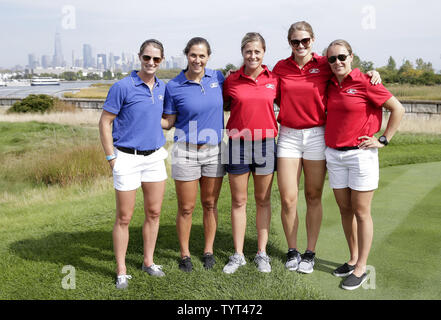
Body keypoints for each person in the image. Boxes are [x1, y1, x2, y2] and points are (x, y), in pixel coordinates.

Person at [272, 21, 381, 274]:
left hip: (316, 135)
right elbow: (265, 87)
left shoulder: (324, 64)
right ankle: (292, 250)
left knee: (312, 196)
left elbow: (348, 73)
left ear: (312, 40)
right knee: (288, 199)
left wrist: (372, 73)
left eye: (305, 41)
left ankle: (309, 253)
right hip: (288, 135)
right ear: (289, 43)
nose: (301, 46)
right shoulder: (280, 67)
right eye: (295, 41)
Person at [324, 39, 404, 290]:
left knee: (361, 211)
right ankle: (352, 259)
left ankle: (361, 268)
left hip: (360, 155)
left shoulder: (367, 82)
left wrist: (383, 139)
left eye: (341, 57)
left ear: (351, 56)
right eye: (332, 59)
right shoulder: (329, 84)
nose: (337, 62)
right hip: (334, 154)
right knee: (344, 210)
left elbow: (397, 109)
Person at [99, 39, 169, 289]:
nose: (151, 63)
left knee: (154, 213)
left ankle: (148, 262)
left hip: (154, 158)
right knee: (124, 217)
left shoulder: (162, 87)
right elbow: (105, 122)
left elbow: (163, 119)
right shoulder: (122, 86)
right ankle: (121, 270)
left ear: (162, 61)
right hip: (126, 158)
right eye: (147, 58)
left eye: (156, 59)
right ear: (139, 57)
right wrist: (111, 157)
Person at [162, 37, 225, 272]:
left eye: (202, 56)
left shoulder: (218, 78)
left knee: (210, 204)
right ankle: (185, 254)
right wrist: (141, 118)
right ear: (186, 55)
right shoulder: (173, 86)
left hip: (215, 151)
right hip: (185, 151)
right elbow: (168, 121)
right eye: (193, 55)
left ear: (208, 57)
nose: (197, 60)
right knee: (186, 207)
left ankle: (208, 251)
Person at [222, 32, 278, 274]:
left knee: (263, 200)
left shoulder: (275, 79)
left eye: (257, 51)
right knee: (239, 201)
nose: (253, 55)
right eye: (248, 51)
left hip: (266, 144)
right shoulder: (231, 80)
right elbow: (223, 104)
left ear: (263, 52)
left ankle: (261, 253)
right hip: (237, 145)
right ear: (242, 53)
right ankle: (238, 254)